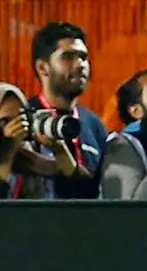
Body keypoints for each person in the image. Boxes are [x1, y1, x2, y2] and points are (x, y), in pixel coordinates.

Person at [14, 20, 105, 198]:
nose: (80, 64)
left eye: (83, 57)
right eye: (68, 57)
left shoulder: (95, 125)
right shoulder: (22, 120)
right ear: (42, 67)